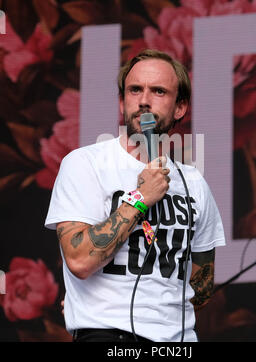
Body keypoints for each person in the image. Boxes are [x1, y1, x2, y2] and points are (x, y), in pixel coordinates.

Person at [44, 49, 225, 342]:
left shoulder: (194, 183)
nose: (144, 100)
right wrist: (141, 197)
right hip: (107, 336)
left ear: (179, 108)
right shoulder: (85, 164)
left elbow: (202, 282)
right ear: (122, 101)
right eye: (135, 89)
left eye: (159, 91)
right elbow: (79, 260)